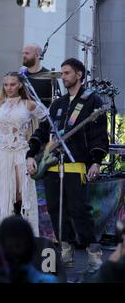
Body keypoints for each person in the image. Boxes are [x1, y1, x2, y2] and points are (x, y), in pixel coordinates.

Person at [26, 58, 109, 271]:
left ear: (79, 74)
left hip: (76, 163)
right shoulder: (58, 103)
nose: (63, 77)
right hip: (52, 164)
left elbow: (99, 134)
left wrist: (96, 162)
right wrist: (31, 153)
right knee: (55, 209)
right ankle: (65, 247)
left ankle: (93, 251)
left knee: (78, 209)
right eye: (62, 73)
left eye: (67, 73)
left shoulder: (93, 101)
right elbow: (43, 130)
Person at [0, 72, 45, 236]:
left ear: (20, 85)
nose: (9, 88)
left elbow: (47, 121)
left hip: (20, 152)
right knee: (0, 193)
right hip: (1, 154)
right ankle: (0, 232)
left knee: (20, 193)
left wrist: (39, 148)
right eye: (6, 85)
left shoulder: (28, 104)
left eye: (12, 84)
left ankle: (21, 233)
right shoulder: (0, 104)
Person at [22, 43, 60, 107]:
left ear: (37, 55)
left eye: (27, 53)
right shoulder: (21, 76)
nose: (24, 56)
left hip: (43, 115)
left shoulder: (50, 77)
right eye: (23, 53)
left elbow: (57, 102)